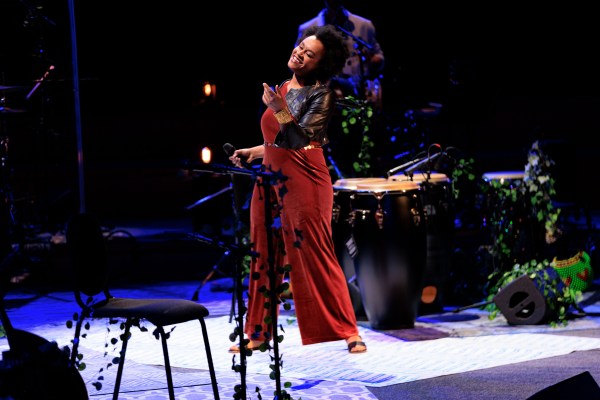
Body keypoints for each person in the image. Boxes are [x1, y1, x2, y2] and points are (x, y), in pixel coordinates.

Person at [228, 25, 367, 354]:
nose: (300, 54)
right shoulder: (282, 87)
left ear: (321, 64)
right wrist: (253, 151)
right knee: (263, 255)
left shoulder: (322, 96)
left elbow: (299, 140)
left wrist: (278, 108)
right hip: (270, 179)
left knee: (316, 255)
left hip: (307, 179)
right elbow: (277, 142)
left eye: (309, 54)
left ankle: (348, 331)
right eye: (300, 47)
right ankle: (258, 332)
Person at [297, 0, 384, 106]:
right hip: (321, 101)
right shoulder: (307, 28)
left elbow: (379, 59)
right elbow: (296, 66)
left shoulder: (364, 25)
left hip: (358, 99)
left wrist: (371, 59)